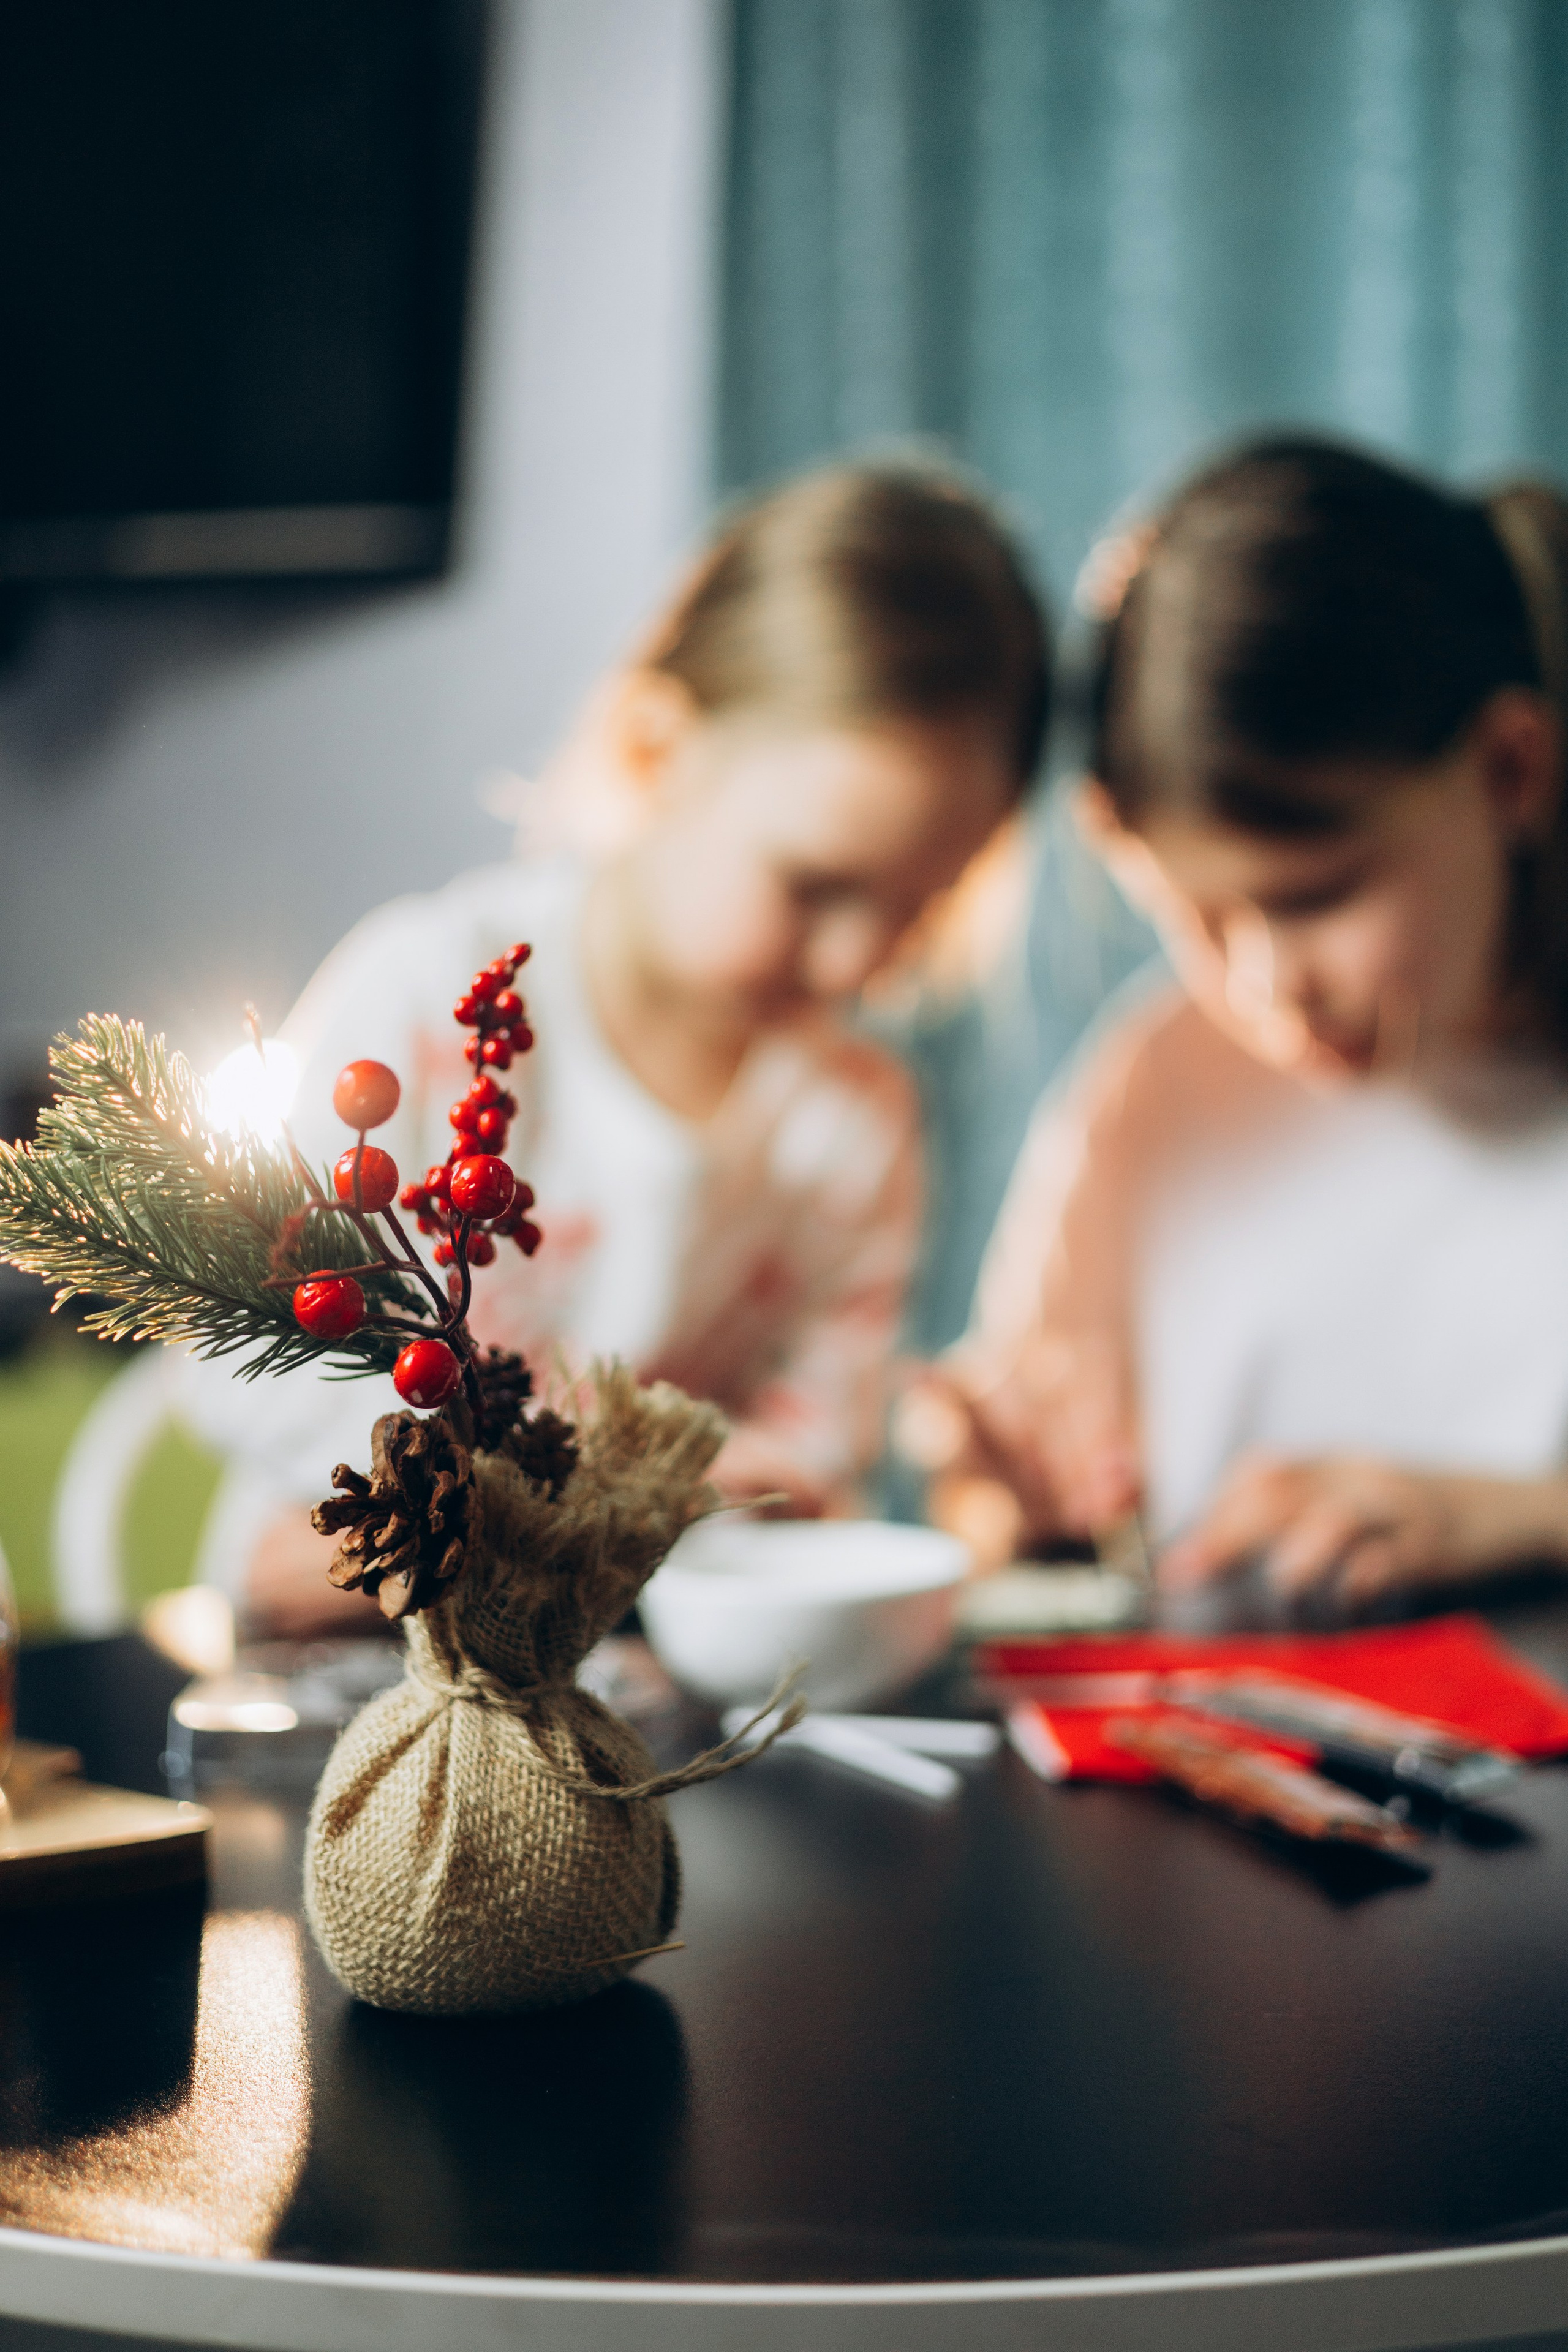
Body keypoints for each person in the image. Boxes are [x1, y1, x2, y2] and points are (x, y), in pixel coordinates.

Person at [187, 462, 1049, 1634]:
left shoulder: (858, 1118)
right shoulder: (432, 998)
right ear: (656, 751)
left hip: (635, 1688)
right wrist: (613, 1489)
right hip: (346, 1640)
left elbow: (811, 1462)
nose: (857, 963)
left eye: (917, 909)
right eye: (816, 885)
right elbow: (252, 1357)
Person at [916, 435, 1568, 1617]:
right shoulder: (1161, 1079)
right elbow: (1004, 1500)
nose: (1271, 987)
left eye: (1317, 898)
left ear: (1512, 772)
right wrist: (1007, 1498)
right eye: (1197, 919)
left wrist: (1520, 1514)